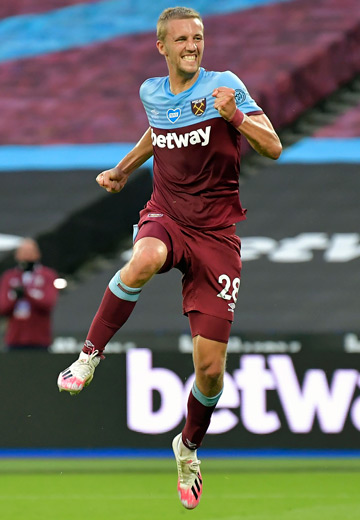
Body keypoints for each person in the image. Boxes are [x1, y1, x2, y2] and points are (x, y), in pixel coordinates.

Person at [57, 6, 282, 510]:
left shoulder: (225, 85)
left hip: (217, 235)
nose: (192, 46)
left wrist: (237, 117)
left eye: (198, 38)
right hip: (167, 214)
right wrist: (121, 169)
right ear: (162, 47)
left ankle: (188, 447)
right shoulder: (151, 92)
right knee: (144, 258)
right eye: (181, 39)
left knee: (209, 371)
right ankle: (89, 357)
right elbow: (157, 133)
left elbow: (273, 147)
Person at [0, 238, 58, 351]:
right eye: (23, 252)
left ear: (38, 254)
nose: (27, 256)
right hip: (15, 339)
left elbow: (48, 303)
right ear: (17, 255)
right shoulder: (9, 276)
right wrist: (15, 297)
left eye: (30, 252)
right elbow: (2, 307)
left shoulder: (47, 275)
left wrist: (27, 294)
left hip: (40, 340)